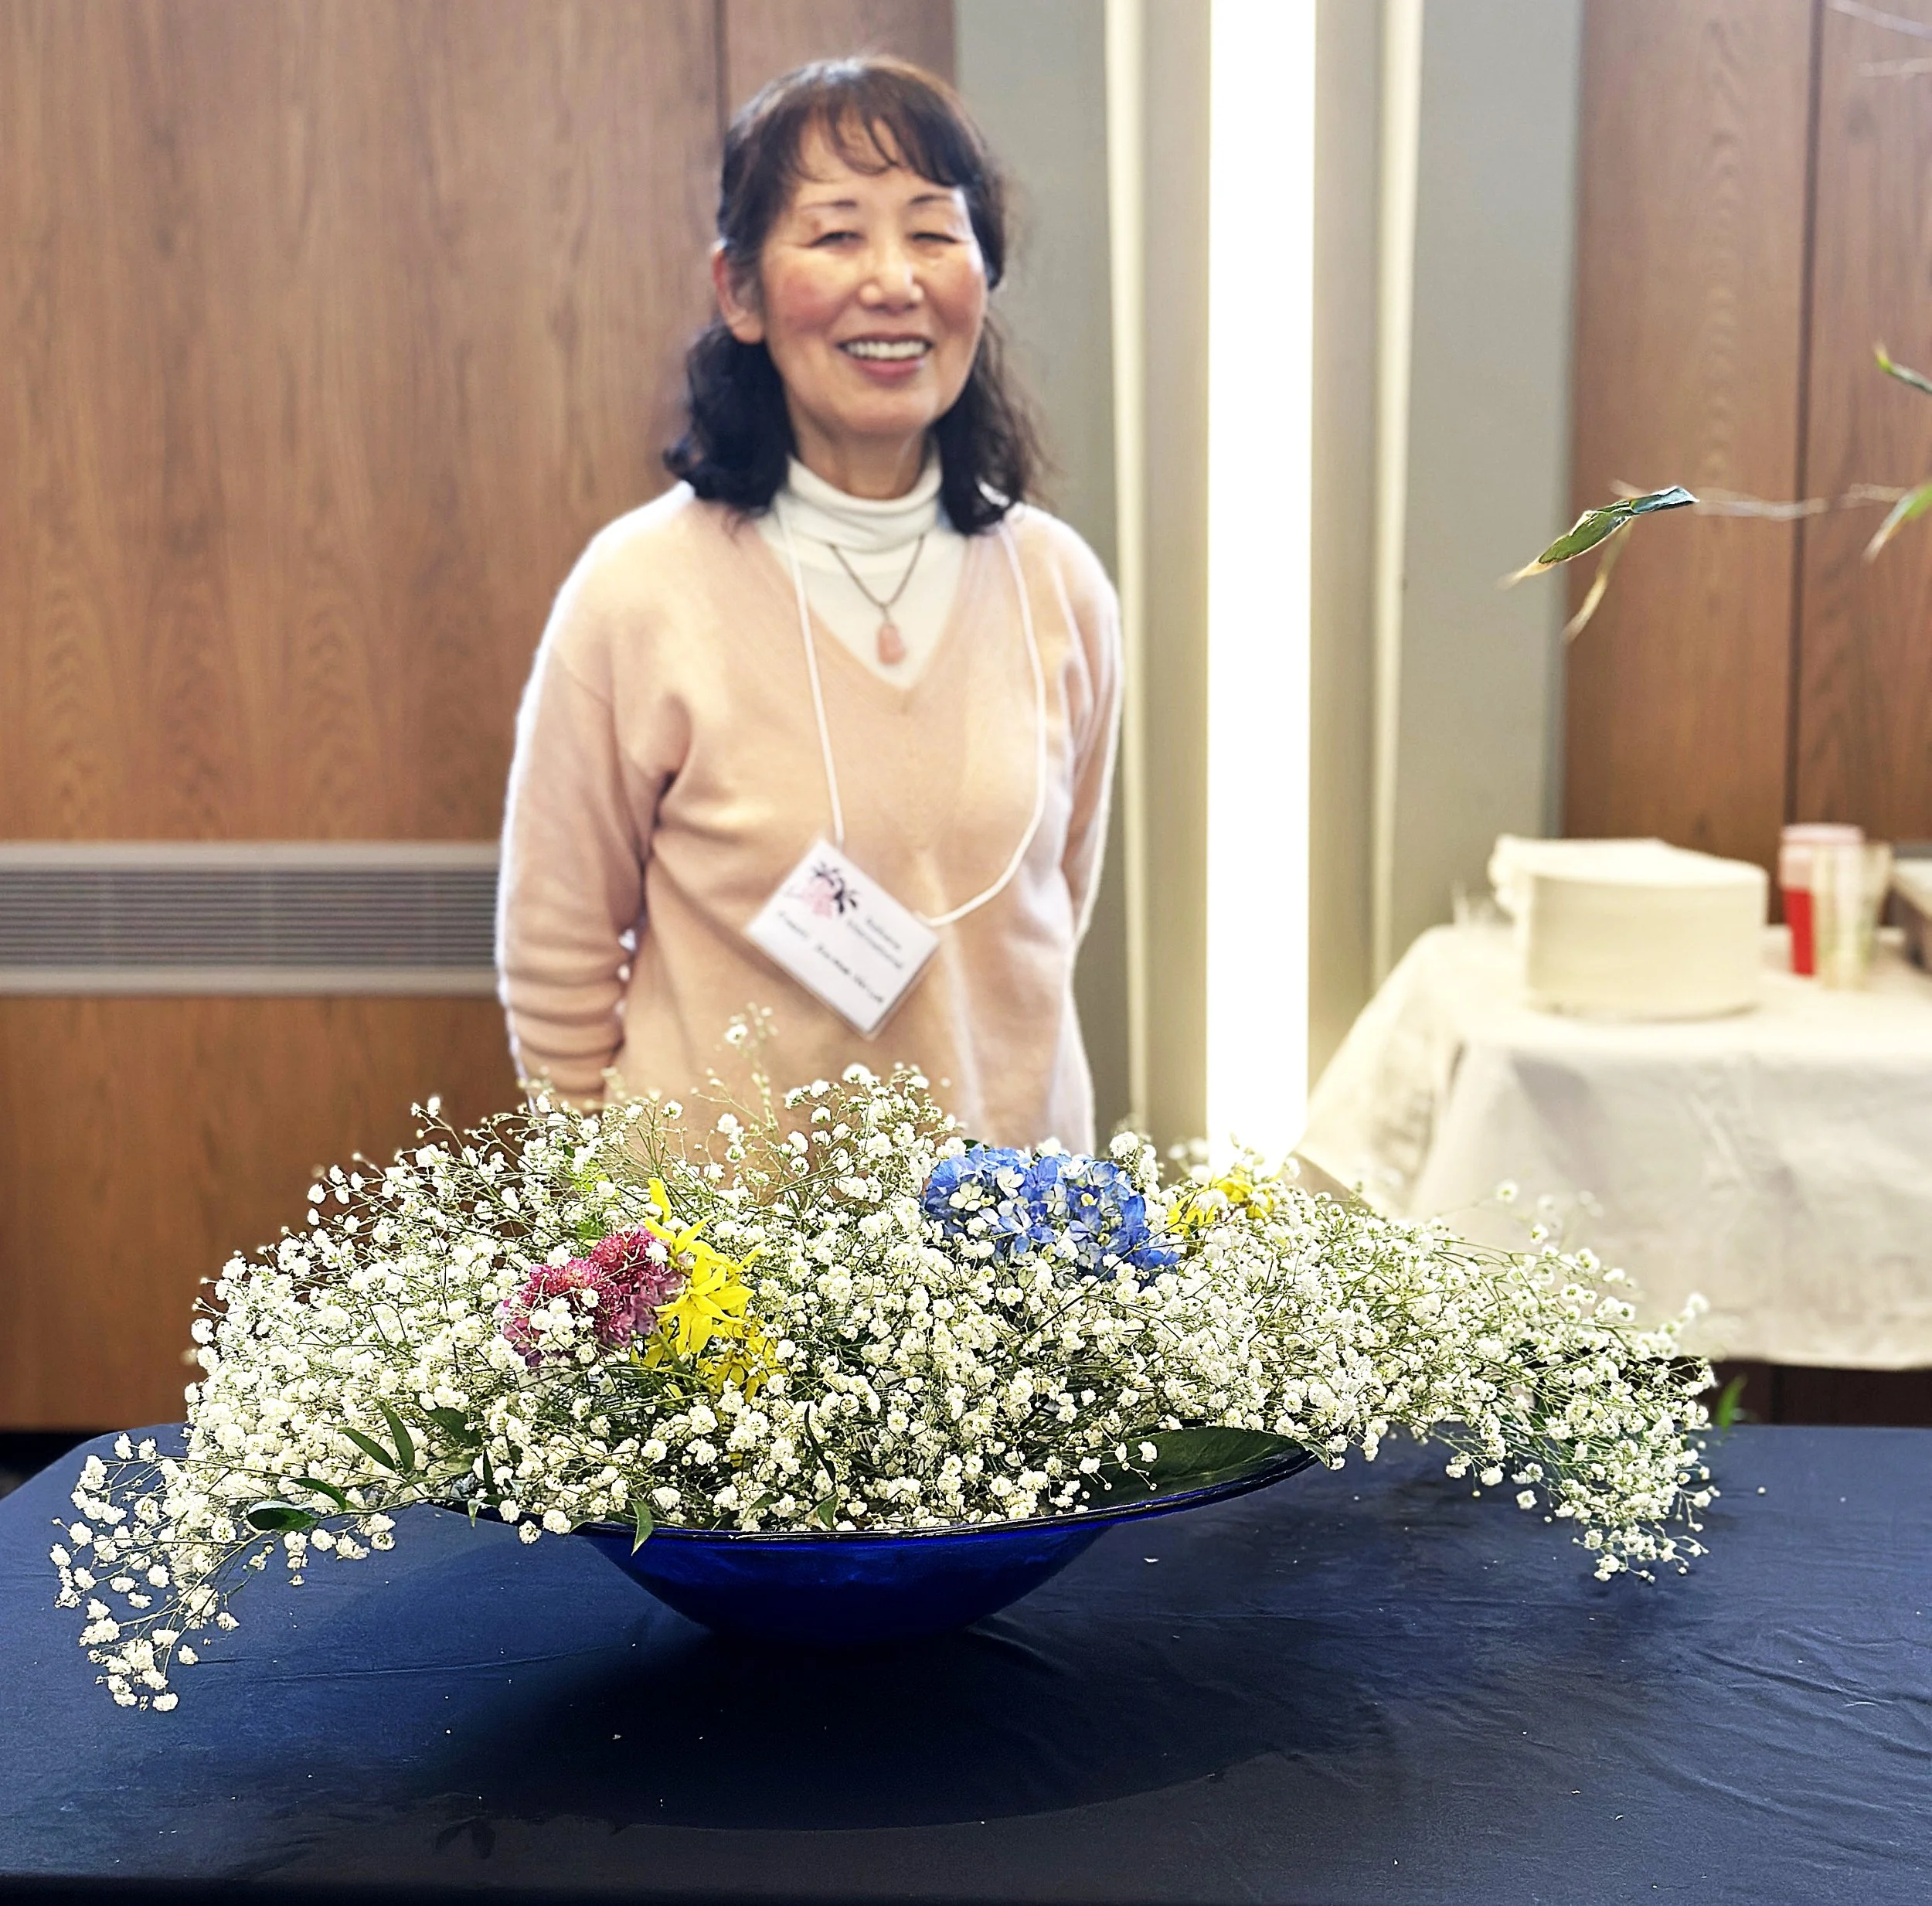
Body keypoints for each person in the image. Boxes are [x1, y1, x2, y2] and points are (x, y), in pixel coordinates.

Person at [496, 56, 1121, 1149]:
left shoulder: (1058, 586)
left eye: (933, 232)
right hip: (724, 1245)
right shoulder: (636, 594)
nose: (894, 280)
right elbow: (557, 960)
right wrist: (621, 1224)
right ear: (738, 292)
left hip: (1014, 1230)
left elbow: (1050, 913)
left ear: (983, 277)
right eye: (836, 235)